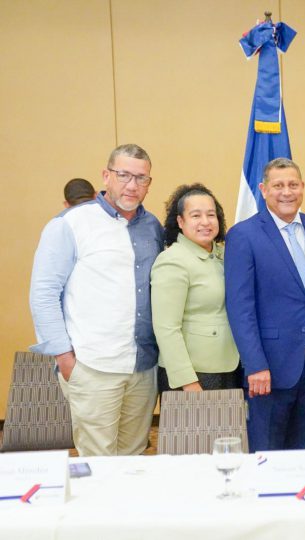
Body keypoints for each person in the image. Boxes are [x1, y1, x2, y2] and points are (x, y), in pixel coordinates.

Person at [30, 144, 163, 456]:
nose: (132, 185)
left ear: (149, 183)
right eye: (123, 175)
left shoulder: (153, 226)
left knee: (134, 460)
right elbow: (44, 293)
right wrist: (64, 357)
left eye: (141, 178)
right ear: (106, 176)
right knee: (97, 465)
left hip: (143, 366)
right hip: (92, 367)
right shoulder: (70, 224)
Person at [225, 158, 305, 451]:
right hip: (268, 370)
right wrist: (255, 364)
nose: (286, 192)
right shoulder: (243, 235)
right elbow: (240, 307)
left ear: (303, 187)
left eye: (293, 185)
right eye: (278, 186)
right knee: (267, 453)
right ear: (263, 190)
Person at [151, 183, 240, 394]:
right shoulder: (173, 260)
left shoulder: (225, 256)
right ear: (180, 221)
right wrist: (187, 380)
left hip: (229, 366)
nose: (205, 222)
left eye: (211, 215)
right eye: (196, 216)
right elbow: (166, 327)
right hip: (193, 374)